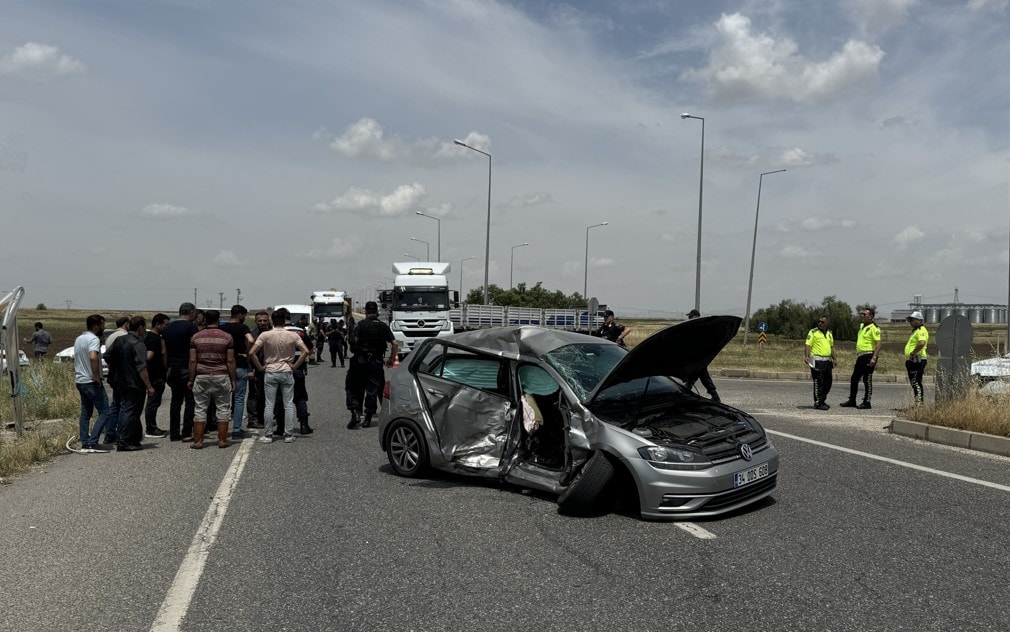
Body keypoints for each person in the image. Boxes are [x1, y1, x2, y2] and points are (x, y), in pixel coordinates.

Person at [247, 309, 310, 444]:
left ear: (272, 321)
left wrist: (260, 367)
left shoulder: (265, 335)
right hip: (287, 370)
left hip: (270, 371)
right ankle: (288, 434)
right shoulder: (292, 335)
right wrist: (294, 365)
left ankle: (268, 435)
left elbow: (252, 353)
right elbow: (306, 351)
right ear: (284, 320)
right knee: (288, 404)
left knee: (269, 405)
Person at [345, 301, 398, 429]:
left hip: (360, 360)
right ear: (377, 312)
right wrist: (391, 359)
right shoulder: (383, 326)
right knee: (372, 389)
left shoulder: (361, 325)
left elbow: (352, 340)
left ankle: (355, 412)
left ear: (365, 312)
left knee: (352, 387)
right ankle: (368, 418)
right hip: (376, 361)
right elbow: (395, 343)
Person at [187, 309, 235, 449]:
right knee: (223, 408)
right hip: (221, 375)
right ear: (218, 319)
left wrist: (191, 379)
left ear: (205, 320)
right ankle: (222, 440)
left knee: (200, 408)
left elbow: (192, 361)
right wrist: (232, 379)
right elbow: (230, 360)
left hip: (202, 375)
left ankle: (198, 441)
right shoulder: (227, 337)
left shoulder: (196, 337)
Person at [106, 316, 156, 451]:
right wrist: (149, 386)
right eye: (144, 327)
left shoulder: (119, 340)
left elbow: (107, 356)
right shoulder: (138, 344)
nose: (145, 330)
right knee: (131, 412)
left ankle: (132, 439)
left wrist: (118, 367)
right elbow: (141, 367)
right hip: (133, 383)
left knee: (125, 409)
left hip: (119, 381)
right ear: (140, 327)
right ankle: (124, 441)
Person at [73, 314, 111, 452]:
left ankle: (85, 442)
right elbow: (93, 358)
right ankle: (93, 442)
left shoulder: (79, 339)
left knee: (86, 413)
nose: (103, 328)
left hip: (80, 380)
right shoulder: (93, 339)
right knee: (105, 412)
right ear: (96, 326)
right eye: (102, 325)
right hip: (91, 381)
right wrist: (96, 377)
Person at [163, 303, 199, 441]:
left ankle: (174, 432)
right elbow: (194, 349)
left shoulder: (168, 328)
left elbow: (164, 351)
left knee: (175, 401)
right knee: (190, 401)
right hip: (186, 367)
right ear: (191, 312)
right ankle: (187, 431)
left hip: (172, 368)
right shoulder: (191, 327)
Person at [220, 305, 255, 440]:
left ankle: (221, 429)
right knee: (239, 398)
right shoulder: (243, 327)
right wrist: (247, 352)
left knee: (223, 399)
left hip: (225, 365)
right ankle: (236, 429)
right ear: (240, 315)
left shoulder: (223, 328)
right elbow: (251, 340)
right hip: (240, 363)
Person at [840, 308, 881, 410]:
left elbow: (878, 344)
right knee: (854, 378)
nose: (862, 316)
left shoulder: (874, 328)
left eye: (865, 314)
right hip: (860, 356)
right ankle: (852, 400)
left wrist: (874, 357)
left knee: (867, 379)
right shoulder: (862, 326)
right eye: (862, 314)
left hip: (869, 355)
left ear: (871, 316)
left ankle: (867, 402)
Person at [101, 315, 131, 445]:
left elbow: (107, 355)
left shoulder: (111, 336)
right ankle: (120, 434)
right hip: (123, 375)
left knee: (115, 405)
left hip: (113, 375)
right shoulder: (124, 337)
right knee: (124, 405)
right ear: (126, 324)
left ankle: (110, 433)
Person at [683, 309, 720, 402]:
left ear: (696, 317)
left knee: (701, 374)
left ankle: (714, 395)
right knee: (697, 374)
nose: (689, 318)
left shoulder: (701, 328)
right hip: (696, 357)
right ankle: (714, 395)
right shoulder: (693, 328)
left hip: (700, 357)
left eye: (690, 316)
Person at [143, 313, 170, 438]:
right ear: (157, 324)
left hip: (155, 374)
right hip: (155, 375)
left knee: (154, 403)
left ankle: (152, 426)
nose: (167, 327)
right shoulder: (154, 339)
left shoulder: (151, 337)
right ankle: (151, 428)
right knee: (153, 403)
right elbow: (149, 356)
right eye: (165, 324)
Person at [804, 315, 836, 410]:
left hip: (827, 361)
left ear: (827, 323)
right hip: (817, 360)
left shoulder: (829, 333)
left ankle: (822, 400)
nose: (820, 323)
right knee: (819, 382)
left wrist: (835, 359)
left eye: (822, 322)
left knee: (828, 382)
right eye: (819, 321)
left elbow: (832, 347)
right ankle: (818, 402)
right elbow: (808, 345)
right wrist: (806, 356)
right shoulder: (813, 332)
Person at [246, 310, 271, 430]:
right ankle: (252, 419)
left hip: (270, 369)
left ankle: (263, 418)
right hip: (256, 370)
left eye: (264, 321)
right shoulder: (252, 335)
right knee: (254, 395)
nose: (262, 323)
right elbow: (248, 354)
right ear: (255, 322)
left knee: (266, 395)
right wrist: (249, 370)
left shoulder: (272, 334)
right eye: (260, 321)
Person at [905, 310, 929, 405]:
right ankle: (918, 403)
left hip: (917, 360)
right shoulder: (915, 331)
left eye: (912, 320)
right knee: (914, 383)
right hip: (912, 360)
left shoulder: (921, 330)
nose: (910, 322)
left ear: (919, 320)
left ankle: (919, 404)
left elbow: (922, 343)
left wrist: (912, 353)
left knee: (917, 382)